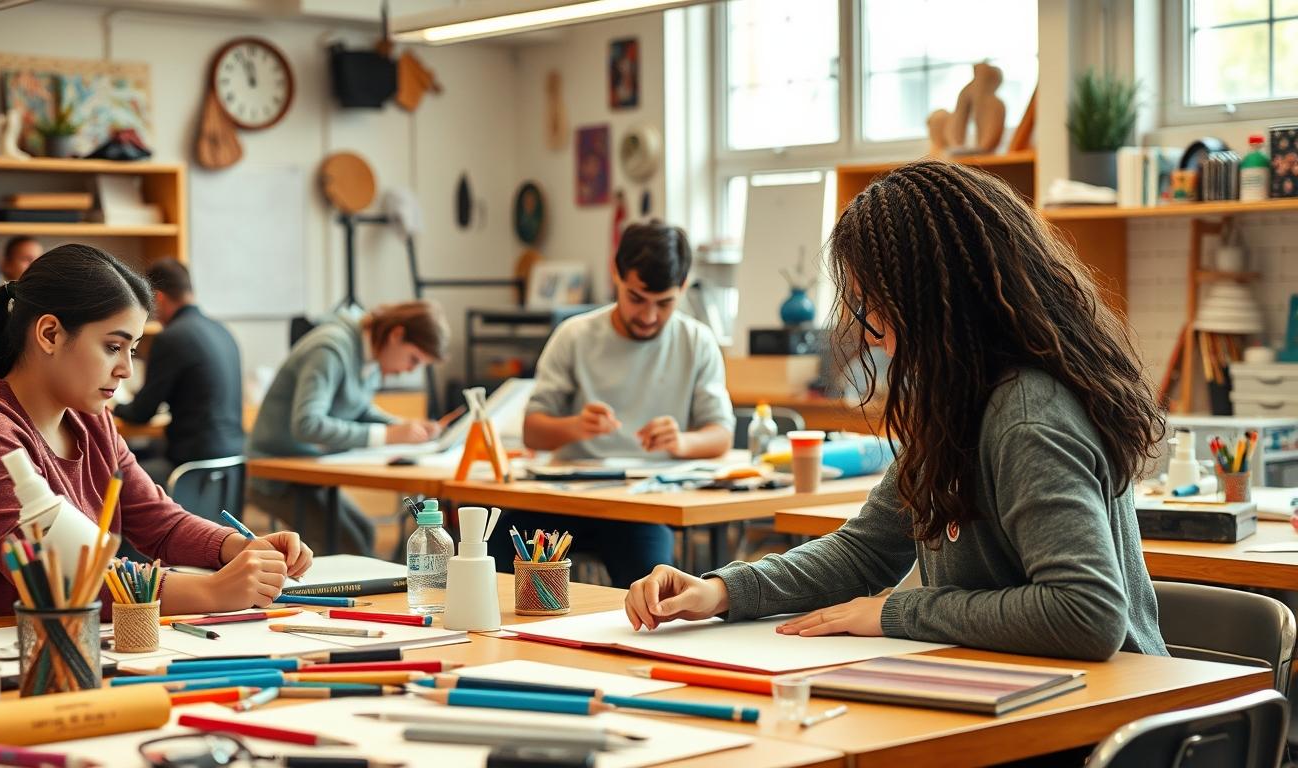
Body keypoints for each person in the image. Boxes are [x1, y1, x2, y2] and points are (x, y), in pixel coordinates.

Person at [624, 161, 1168, 661]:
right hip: (1020, 693)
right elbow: (865, 550)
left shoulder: (1026, 415)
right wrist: (720, 590)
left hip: (1100, 720)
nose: (870, 329)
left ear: (933, 302)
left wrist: (893, 613)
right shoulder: (958, 404)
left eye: (875, 304)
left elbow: (1085, 614)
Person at [0, 244, 311, 618]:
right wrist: (210, 591)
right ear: (49, 334)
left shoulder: (94, 419)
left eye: (133, 349)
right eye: (113, 346)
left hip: (83, 642)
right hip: (6, 653)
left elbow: (159, 522)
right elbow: (61, 580)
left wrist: (236, 546)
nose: (125, 368)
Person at [490, 221, 734, 588]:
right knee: (487, 562)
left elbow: (721, 435)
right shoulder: (575, 335)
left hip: (643, 507)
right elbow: (532, 431)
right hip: (562, 502)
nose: (649, 317)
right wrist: (574, 426)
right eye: (636, 298)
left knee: (654, 590)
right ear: (615, 274)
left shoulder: (696, 341)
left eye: (664, 303)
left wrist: (682, 442)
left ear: (683, 287)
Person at [247, 302, 449, 555]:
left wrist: (402, 427)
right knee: (348, 543)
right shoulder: (330, 349)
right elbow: (307, 424)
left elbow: (359, 409)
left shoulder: (371, 354)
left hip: (309, 472)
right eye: (413, 360)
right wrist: (388, 435)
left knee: (364, 533)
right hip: (276, 475)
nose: (408, 371)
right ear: (396, 335)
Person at [113, 259, 244, 485]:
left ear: (159, 298)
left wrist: (113, 406)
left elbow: (141, 412)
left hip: (190, 468)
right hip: (232, 464)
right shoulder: (223, 331)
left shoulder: (172, 337)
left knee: (111, 475)